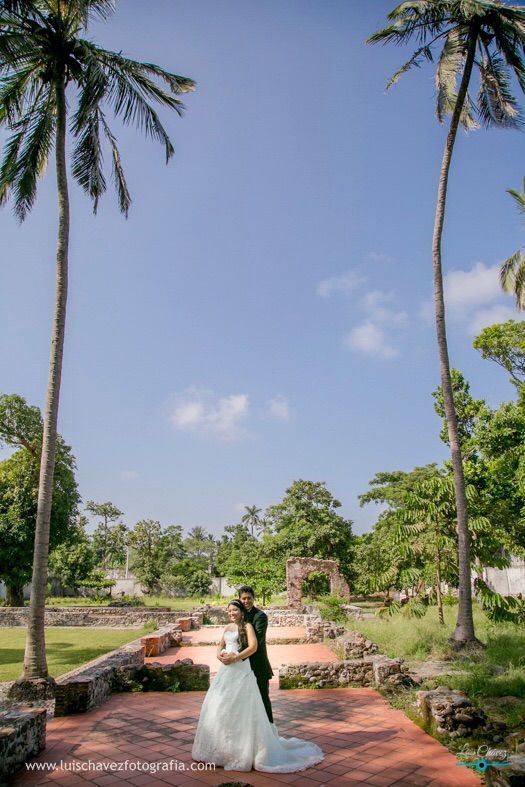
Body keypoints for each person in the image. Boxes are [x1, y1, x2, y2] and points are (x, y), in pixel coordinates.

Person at [191, 599, 324, 773]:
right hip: (225, 671)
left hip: (241, 669)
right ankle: (219, 749)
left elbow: (253, 647)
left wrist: (235, 658)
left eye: (235, 611)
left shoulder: (247, 626)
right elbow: (220, 646)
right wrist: (220, 656)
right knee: (219, 706)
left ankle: (243, 750)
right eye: (229, 611)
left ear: (241, 611)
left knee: (242, 707)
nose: (232, 614)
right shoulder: (227, 628)